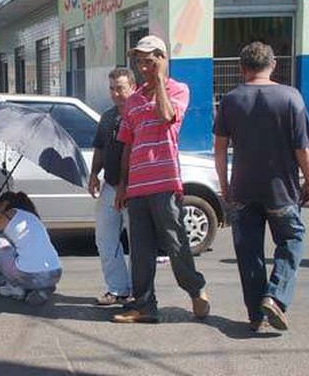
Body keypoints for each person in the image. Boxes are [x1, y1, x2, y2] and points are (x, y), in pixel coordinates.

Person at [111, 35, 209, 323]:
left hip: (165, 182)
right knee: (140, 250)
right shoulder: (133, 100)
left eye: (150, 61)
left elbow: (167, 116)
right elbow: (127, 143)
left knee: (176, 244)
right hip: (137, 186)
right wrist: (122, 185)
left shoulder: (178, 90)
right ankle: (144, 305)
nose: (143, 67)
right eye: (140, 61)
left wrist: (160, 81)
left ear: (163, 59)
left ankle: (196, 289)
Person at [214, 41, 309, 332]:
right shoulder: (291, 98)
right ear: (274, 64)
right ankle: (276, 297)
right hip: (281, 189)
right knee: (291, 241)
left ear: (242, 68)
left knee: (249, 253)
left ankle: (256, 314)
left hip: (243, 188)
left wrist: (225, 186)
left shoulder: (230, 100)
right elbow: (302, 149)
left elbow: (219, 149)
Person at [88, 68, 136, 306]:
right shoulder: (107, 117)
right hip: (110, 185)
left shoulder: (139, 113)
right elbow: (99, 147)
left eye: (120, 88)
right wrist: (94, 174)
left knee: (137, 241)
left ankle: (139, 291)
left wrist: (124, 189)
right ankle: (117, 289)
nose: (116, 93)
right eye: (112, 88)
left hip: (134, 189)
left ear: (132, 88)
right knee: (104, 238)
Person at [0, 191, 62, 306]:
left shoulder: (5, 216)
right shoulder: (32, 218)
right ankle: (42, 288)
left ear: (5, 204)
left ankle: (15, 286)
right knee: (20, 248)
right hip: (55, 273)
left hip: (27, 275)